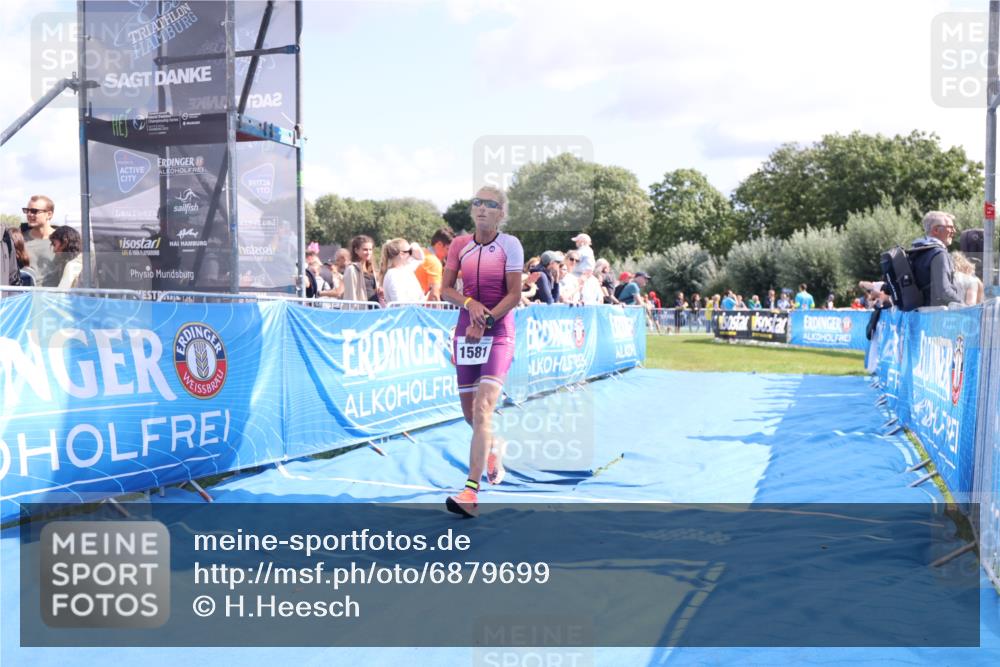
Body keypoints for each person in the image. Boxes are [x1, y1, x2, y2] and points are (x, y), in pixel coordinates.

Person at [440, 186, 523, 517]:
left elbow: (514, 295)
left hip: (498, 330)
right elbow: (445, 290)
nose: (482, 208)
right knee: (470, 413)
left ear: (501, 213)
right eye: (477, 202)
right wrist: (470, 304)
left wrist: (485, 319)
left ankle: (470, 493)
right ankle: (493, 446)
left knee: (483, 408)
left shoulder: (510, 245)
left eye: (491, 204)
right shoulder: (460, 245)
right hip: (465, 330)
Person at [910, 211, 964, 307]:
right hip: (937, 316)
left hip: (920, 314)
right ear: (936, 230)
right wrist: (964, 305)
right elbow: (944, 292)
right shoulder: (939, 254)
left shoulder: (917, 252)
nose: (954, 231)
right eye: (950, 227)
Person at [22, 195, 58, 286]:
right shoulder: (19, 239)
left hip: (54, 297)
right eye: (27, 211)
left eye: (34, 211)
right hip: (26, 297)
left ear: (49, 214)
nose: (29, 214)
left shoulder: (63, 240)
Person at [380, 238, 426, 303]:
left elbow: (421, 258)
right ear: (401, 254)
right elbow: (398, 302)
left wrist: (414, 246)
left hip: (413, 311)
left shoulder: (407, 269)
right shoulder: (393, 275)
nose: (411, 254)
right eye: (410, 252)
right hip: (403, 312)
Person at [415, 227, 455, 301]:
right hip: (420, 307)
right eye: (448, 249)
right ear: (439, 244)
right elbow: (434, 295)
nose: (449, 253)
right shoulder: (434, 262)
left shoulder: (422, 253)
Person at [342, 235, 380, 304]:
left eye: (370, 249)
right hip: (361, 310)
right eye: (365, 249)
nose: (368, 252)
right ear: (356, 250)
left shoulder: (371, 268)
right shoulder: (351, 269)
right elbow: (351, 294)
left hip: (374, 309)